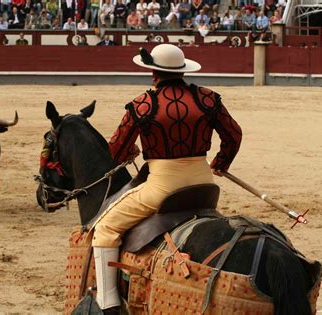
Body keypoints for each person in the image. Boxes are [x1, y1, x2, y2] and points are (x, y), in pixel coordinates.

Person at [92, 44, 242, 314]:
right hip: (204, 184)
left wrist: (130, 151)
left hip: (163, 188)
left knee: (105, 229)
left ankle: (109, 302)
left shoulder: (143, 104)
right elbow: (234, 135)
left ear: (153, 73)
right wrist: (221, 162)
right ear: (182, 71)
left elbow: (115, 149)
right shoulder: (208, 99)